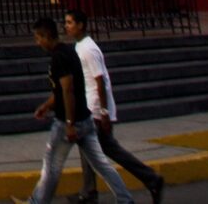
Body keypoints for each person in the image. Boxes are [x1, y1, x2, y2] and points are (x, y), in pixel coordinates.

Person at [26, 16, 130, 204]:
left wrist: (69, 123)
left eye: (38, 38)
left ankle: (36, 202)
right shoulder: (69, 50)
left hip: (69, 122)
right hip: (87, 120)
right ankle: (125, 199)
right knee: (101, 164)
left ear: (46, 36)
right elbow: (61, 90)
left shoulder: (59, 57)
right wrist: (46, 106)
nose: (37, 42)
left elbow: (68, 89)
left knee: (51, 166)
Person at [66, 10, 166, 204]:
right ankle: (90, 191)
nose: (66, 26)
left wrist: (103, 112)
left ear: (81, 25)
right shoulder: (81, 46)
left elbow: (100, 81)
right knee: (97, 149)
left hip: (95, 109)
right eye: (66, 22)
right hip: (90, 107)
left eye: (70, 22)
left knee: (104, 149)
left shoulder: (88, 49)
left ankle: (149, 178)